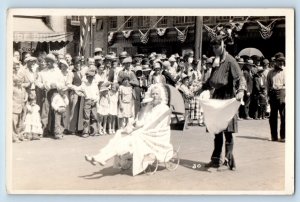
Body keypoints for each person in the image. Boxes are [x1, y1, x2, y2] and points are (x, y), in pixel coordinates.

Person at [84, 84, 173, 176]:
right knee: (120, 134)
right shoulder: (149, 107)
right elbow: (141, 121)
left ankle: (103, 158)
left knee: (128, 139)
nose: (154, 96)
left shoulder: (164, 109)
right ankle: (100, 157)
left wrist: (138, 129)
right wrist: (135, 121)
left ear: (161, 95)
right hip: (143, 131)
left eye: (156, 94)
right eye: (153, 94)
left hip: (153, 134)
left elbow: (158, 126)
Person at [201, 35, 246, 170]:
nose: (215, 50)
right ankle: (216, 160)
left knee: (228, 132)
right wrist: (197, 90)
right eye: (213, 47)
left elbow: (240, 78)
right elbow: (210, 81)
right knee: (217, 131)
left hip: (228, 98)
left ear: (222, 46)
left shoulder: (230, 61)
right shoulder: (216, 61)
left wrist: (241, 90)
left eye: (217, 47)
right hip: (217, 98)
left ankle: (229, 161)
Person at [266, 52, 285, 142]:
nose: (281, 63)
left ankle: (283, 136)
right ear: (275, 62)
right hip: (273, 94)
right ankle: (274, 136)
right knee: (273, 116)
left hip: (283, 94)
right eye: (279, 61)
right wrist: (267, 96)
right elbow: (268, 85)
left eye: (282, 61)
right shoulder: (270, 73)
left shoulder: (287, 71)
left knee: (284, 116)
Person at [76, 67, 100, 138]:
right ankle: (85, 132)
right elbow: (77, 90)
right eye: (89, 77)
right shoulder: (84, 84)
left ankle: (94, 131)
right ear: (87, 77)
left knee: (94, 116)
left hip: (94, 101)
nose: (90, 79)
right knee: (86, 117)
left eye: (92, 77)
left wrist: (95, 100)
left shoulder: (95, 84)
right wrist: (82, 94)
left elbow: (98, 94)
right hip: (87, 101)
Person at [12, 75, 27, 143]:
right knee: (14, 123)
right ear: (15, 82)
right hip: (15, 107)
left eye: (21, 82)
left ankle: (20, 135)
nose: (20, 83)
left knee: (21, 122)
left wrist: (26, 98)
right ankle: (14, 137)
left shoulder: (23, 88)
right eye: (18, 82)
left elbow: (25, 94)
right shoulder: (13, 89)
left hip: (22, 107)